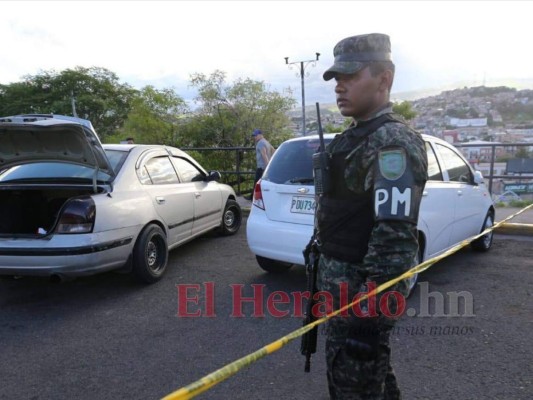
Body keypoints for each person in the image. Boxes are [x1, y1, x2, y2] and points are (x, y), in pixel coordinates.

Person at [310, 33, 428, 399]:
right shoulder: (358, 136)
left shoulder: (392, 141)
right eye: (336, 80)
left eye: (350, 76)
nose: (339, 87)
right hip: (345, 294)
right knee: (371, 378)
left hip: (360, 301)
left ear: (384, 79)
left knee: (354, 387)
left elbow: (394, 239)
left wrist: (369, 314)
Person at [247, 129, 274, 199]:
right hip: (265, 166)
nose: (254, 137)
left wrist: (268, 166)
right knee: (260, 183)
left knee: (257, 183)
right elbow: (273, 150)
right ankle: (253, 196)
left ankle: (253, 197)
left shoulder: (260, 143)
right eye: (254, 136)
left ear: (260, 135)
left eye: (256, 135)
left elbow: (264, 154)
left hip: (262, 167)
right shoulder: (266, 142)